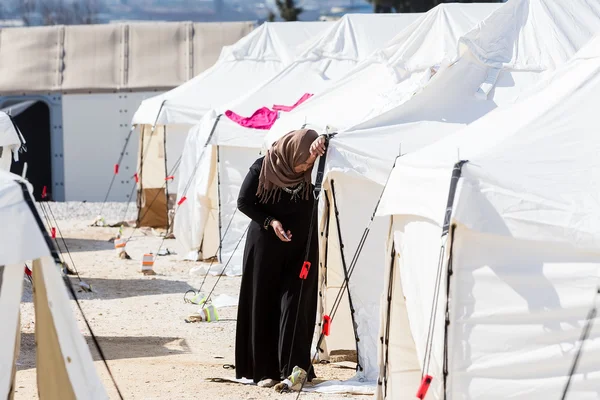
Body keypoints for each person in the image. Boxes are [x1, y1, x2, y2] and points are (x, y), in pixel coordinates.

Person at [235, 129, 326, 387]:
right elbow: (243, 202)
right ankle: (265, 371)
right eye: (303, 162)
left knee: (296, 304)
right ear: (291, 153)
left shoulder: (314, 167)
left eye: (309, 163)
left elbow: (335, 144)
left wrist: (324, 141)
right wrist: (271, 221)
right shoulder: (264, 167)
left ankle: (294, 368)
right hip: (266, 244)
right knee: (264, 304)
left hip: (301, 248)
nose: (305, 168)